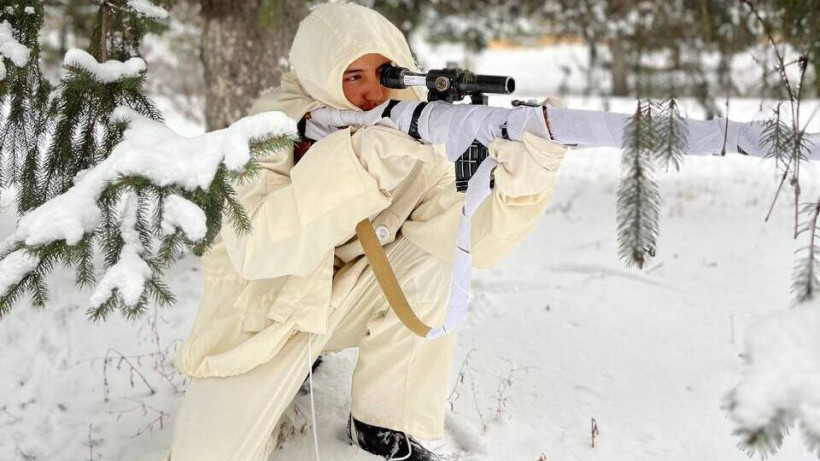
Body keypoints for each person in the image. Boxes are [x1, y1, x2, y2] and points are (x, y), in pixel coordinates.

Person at [164, 3, 566, 460]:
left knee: (436, 259)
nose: (373, 93)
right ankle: (290, 373)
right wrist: (360, 162)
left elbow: (470, 242)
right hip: (260, 323)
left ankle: (385, 420)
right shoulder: (268, 130)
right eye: (353, 77)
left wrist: (526, 179)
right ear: (320, 75)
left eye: (386, 73)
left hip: (344, 301)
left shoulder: (412, 130)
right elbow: (258, 250)